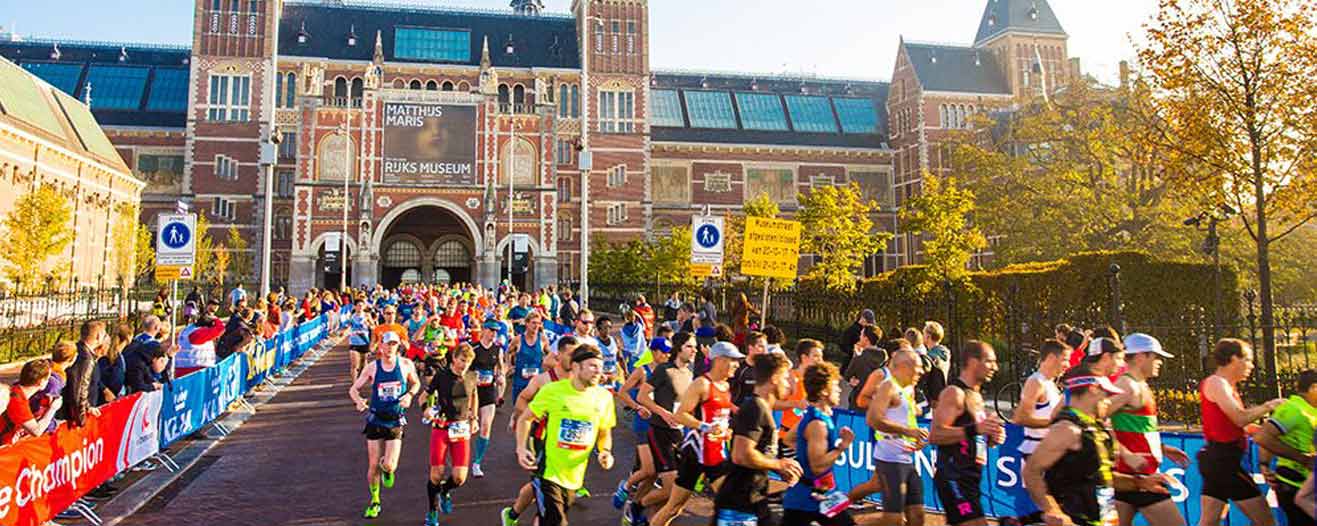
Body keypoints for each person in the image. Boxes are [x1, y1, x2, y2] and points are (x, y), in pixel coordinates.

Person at [1024, 366, 1175, 526]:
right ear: (1093, 390)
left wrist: (1139, 483)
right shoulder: (1067, 429)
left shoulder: (1096, 428)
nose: (1109, 401)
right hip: (1075, 518)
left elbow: (1102, 477)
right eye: (1106, 395)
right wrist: (1053, 511)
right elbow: (1031, 472)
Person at [512, 345, 617, 526]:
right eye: (592, 366)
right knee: (557, 521)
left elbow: (604, 431)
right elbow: (525, 419)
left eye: (600, 367)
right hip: (548, 471)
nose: (597, 371)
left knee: (547, 518)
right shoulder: (553, 391)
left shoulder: (604, 397)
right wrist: (521, 448)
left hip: (574, 476)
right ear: (576, 367)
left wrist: (605, 451)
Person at [647, 341, 742, 526]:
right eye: (734, 361)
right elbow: (680, 415)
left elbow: (720, 416)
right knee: (674, 507)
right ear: (720, 360)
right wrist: (706, 427)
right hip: (696, 453)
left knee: (731, 502)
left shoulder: (725, 386)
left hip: (716, 452)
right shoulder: (701, 384)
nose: (737, 365)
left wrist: (727, 429)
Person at [1198, 338, 1284, 526]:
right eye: (1248, 360)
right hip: (1224, 460)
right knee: (1266, 521)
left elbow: (1239, 426)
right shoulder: (1216, 383)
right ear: (1234, 359)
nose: (1251, 366)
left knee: (1209, 522)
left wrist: (1267, 431)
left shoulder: (1228, 386)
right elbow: (1239, 418)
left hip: (1220, 459)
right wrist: (1268, 406)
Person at [1108, 334, 1190, 526]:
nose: (1159, 362)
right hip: (1138, 477)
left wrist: (1162, 448)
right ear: (1140, 357)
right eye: (1155, 356)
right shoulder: (1127, 386)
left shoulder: (1139, 385)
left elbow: (1139, 430)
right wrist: (1126, 454)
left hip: (1137, 475)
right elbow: (1092, 421)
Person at [712, 351, 802, 524]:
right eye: (785, 378)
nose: (789, 384)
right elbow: (741, 455)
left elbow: (756, 453)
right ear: (774, 378)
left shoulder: (763, 408)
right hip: (737, 504)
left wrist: (777, 469)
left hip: (754, 499)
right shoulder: (755, 408)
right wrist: (778, 464)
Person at [502, 336, 580, 526]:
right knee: (547, 492)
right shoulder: (544, 380)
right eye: (570, 354)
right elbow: (522, 399)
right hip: (541, 440)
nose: (574, 359)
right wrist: (526, 417)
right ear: (558, 355)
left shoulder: (578, 381)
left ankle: (512, 514)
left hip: (565, 444)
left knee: (541, 486)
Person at [348, 331, 422, 519]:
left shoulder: (405, 365)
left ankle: (386, 467)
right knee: (372, 464)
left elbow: (416, 383)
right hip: (375, 418)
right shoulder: (373, 367)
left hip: (395, 419)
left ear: (398, 346)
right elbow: (354, 388)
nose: (390, 348)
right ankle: (375, 501)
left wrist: (409, 395)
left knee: (389, 465)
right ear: (380, 346)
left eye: (394, 344)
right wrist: (358, 400)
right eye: (387, 344)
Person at [930, 341, 1005, 526]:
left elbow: (971, 436)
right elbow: (936, 435)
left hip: (970, 480)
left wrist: (992, 438)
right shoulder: (954, 393)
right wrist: (977, 429)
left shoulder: (976, 396)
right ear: (972, 362)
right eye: (989, 361)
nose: (994, 367)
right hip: (953, 477)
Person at [852, 346, 928, 525]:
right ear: (904, 366)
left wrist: (917, 437)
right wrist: (907, 431)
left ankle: (839, 508)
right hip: (890, 459)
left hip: (907, 458)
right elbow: (873, 419)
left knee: (917, 517)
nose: (922, 372)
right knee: (892, 520)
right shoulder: (888, 386)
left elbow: (906, 420)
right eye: (918, 368)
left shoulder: (909, 389)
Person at [614, 335, 680, 523]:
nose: (667, 356)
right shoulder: (642, 371)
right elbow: (622, 392)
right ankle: (625, 487)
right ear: (654, 352)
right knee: (649, 469)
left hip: (661, 427)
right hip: (644, 424)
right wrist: (638, 407)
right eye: (663, 353)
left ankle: (635, 510)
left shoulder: (669, 371)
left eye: (669, 353)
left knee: (651, 476)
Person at [783, 361, 858, 526]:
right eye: (836, 386)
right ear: (824, 391)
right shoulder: (818, 424)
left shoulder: (815, 415)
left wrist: (805, 450)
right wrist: (842, 447)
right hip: (805, 499)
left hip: (821, 495)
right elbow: (817, 466)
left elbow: (788, 439)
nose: (840, 390)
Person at [1010, 339, 1069, 525]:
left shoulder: (1050, 384)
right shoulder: (1035, 382)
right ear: (1051, 358)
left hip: (1050, 453)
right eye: (1065, 360)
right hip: (1036, 453)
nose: (1067, 365)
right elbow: (1020, 418)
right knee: (1051, 512)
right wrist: (1053, 423)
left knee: (1055, 511)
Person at [421, 343, 479, 526]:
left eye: (468, 362)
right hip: (441, 428)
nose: (464, 365)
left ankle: (445, 491)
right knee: (436, 475)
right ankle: (431, 512)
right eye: (462, 361)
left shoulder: (471, 377)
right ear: (454, 358)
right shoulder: (442, 376)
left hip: (461, 429)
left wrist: (474, 417)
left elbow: (474, 396)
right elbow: (423, 397)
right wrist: (426, 410)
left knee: (459, 478)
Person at [1257, 369, 1317, 526]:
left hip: (1308, 481)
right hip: (1293, 480)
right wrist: (1302, 458)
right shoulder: (1294, 409)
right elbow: (1264, 436)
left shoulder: (1311, 409)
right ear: (1313, 388)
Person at [469, 319, 506, 478]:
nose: (493, 334)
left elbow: (500, 369)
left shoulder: (498, 350)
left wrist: (500, 378)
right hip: (472, 392)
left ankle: (477, 462)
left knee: (485, 426)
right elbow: (463, 370)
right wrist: (472, 379)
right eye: (491, 330)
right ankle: (461, 458)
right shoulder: (473, 348)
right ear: (483, 330)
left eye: (496, 331)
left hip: (488, 391)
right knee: (467, 427)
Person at [1, 359, 62, 445]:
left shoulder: (17, 389)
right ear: (40, 382)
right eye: (47, 379)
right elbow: (37, 431)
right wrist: (53, 408)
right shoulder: (19, 402)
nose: (48, 382)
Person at [61, 320, 107, 426]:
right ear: (98, 336)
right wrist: (81, 418)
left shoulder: (78, 349)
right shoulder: (86, 359)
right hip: (71, 417)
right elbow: (80, 388)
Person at [508, 311, 548, 403]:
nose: (536, 326)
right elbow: (508, 352)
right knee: (518, 413)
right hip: (520, 383)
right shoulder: (518, 339)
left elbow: (550, 355)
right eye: (533, 323)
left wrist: (545, 369)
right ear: (527, 323)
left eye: (538, 323)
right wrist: (510, 366)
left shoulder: (542, 339)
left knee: (535, 414)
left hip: (536, 383)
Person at [844, 326, 884, 410]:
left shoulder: (859, 359)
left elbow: (847, 375)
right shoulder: (885, 359)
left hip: (858, 401)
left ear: (866, 339)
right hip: (876, 403)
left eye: (861, 335)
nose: (859, 337)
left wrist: (855, 356)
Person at [731, 331, 768, 406]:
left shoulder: (767, 368)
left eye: (766, 347)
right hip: (740, 414)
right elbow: (725, 393)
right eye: (761, 346)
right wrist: (736, 410)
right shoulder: (738, 368)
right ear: (750, 348)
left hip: (760, 413)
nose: (765, 351)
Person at [921, 321, 950, 409]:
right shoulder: (945, 353)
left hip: (933, 399)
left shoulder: (930, 357)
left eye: (923, 333)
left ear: (928, 336)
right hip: (943, 394)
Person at [346, 300, 374, 382]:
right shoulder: (351, 316)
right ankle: (354, 384)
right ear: (355, 307)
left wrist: (368, 324)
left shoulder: (367, 315)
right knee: (354, 365)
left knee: (364, 362)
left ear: (364, 306)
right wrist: (344, 332)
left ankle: (364, 378)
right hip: (354, 341)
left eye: (362, 305)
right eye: (358, 305)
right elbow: (349, 326)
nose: (360, 307)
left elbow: (373, 326)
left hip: (364, 341)